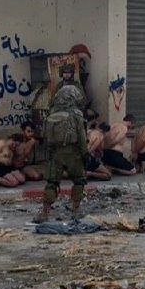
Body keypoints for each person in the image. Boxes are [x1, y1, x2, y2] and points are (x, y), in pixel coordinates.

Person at [36, 85, 88, 222]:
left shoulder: (51, 113)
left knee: (52, 183)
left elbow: (45, 136)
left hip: (55, 153)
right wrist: (85, 153)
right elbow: (81, 136)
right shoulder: (76, 114)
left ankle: (44, 213)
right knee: (79, 180)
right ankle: (76, 210)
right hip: (72, 152)